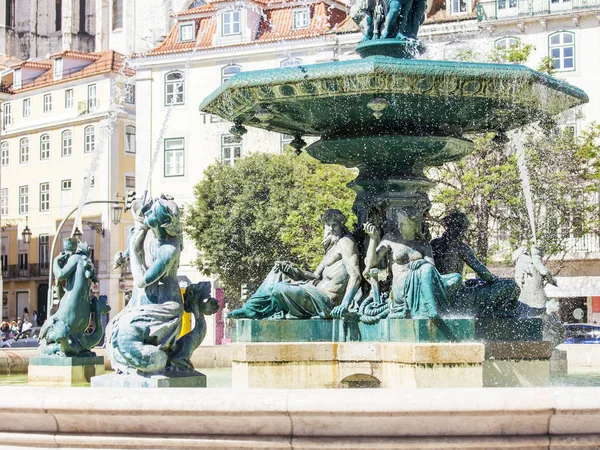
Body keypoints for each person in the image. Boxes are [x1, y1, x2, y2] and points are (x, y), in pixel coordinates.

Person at [228, 209, 362, 320]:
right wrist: (295, 270)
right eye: (328, 225)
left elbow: (355, 275)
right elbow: (315, 276)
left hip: (325, 302)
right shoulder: (331, 249)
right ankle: (251, 309)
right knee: (279, 271)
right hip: (314, 290)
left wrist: (345, 303)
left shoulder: (345, 243)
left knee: (280, 288)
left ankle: (264, 311)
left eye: (335, 225)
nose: (331, 229)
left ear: (341, 225)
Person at [363, 209, 461, 319]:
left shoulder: (423, 243)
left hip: (422, 283)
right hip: (401, 288)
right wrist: (373, 239)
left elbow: (432, 269)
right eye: (399, 222)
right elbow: (372, 261)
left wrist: (421, 261)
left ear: (413, 225)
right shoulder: (391, 238)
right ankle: (430, 308)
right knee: (426, 269)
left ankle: (431, 305)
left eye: (403, 223)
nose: (399, 226)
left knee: (457, 277)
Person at [431, 212, 519, 318]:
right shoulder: (461, 247)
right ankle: (498, 312)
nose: (465, 232)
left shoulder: (434, 243)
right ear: (460, 229)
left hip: (439, 294)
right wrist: (493, 279)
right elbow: (483, 272)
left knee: (474, 282)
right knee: (510, 285)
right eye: (465, 229)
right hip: (458, 298)